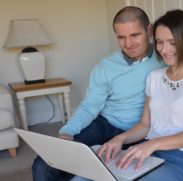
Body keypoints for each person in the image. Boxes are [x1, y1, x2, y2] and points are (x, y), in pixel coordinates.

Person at [86, 9, 183, 181]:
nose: (164, 49)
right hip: (145, 150)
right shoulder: (155, 77)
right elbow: (145, 124)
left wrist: (153, 144)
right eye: (159, 42)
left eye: (172, 42)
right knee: (86, 177)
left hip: (178, 157)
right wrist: (120, 139)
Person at [32, 6, 164, 181]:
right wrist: (67, 132)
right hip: (106, 125)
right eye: (121, 37)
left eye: (134, 35)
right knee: (44, 165)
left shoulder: (167, 56)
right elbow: (90, 106)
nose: (128, 44)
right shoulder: (105, 66)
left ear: (149, 31)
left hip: (144, 131)